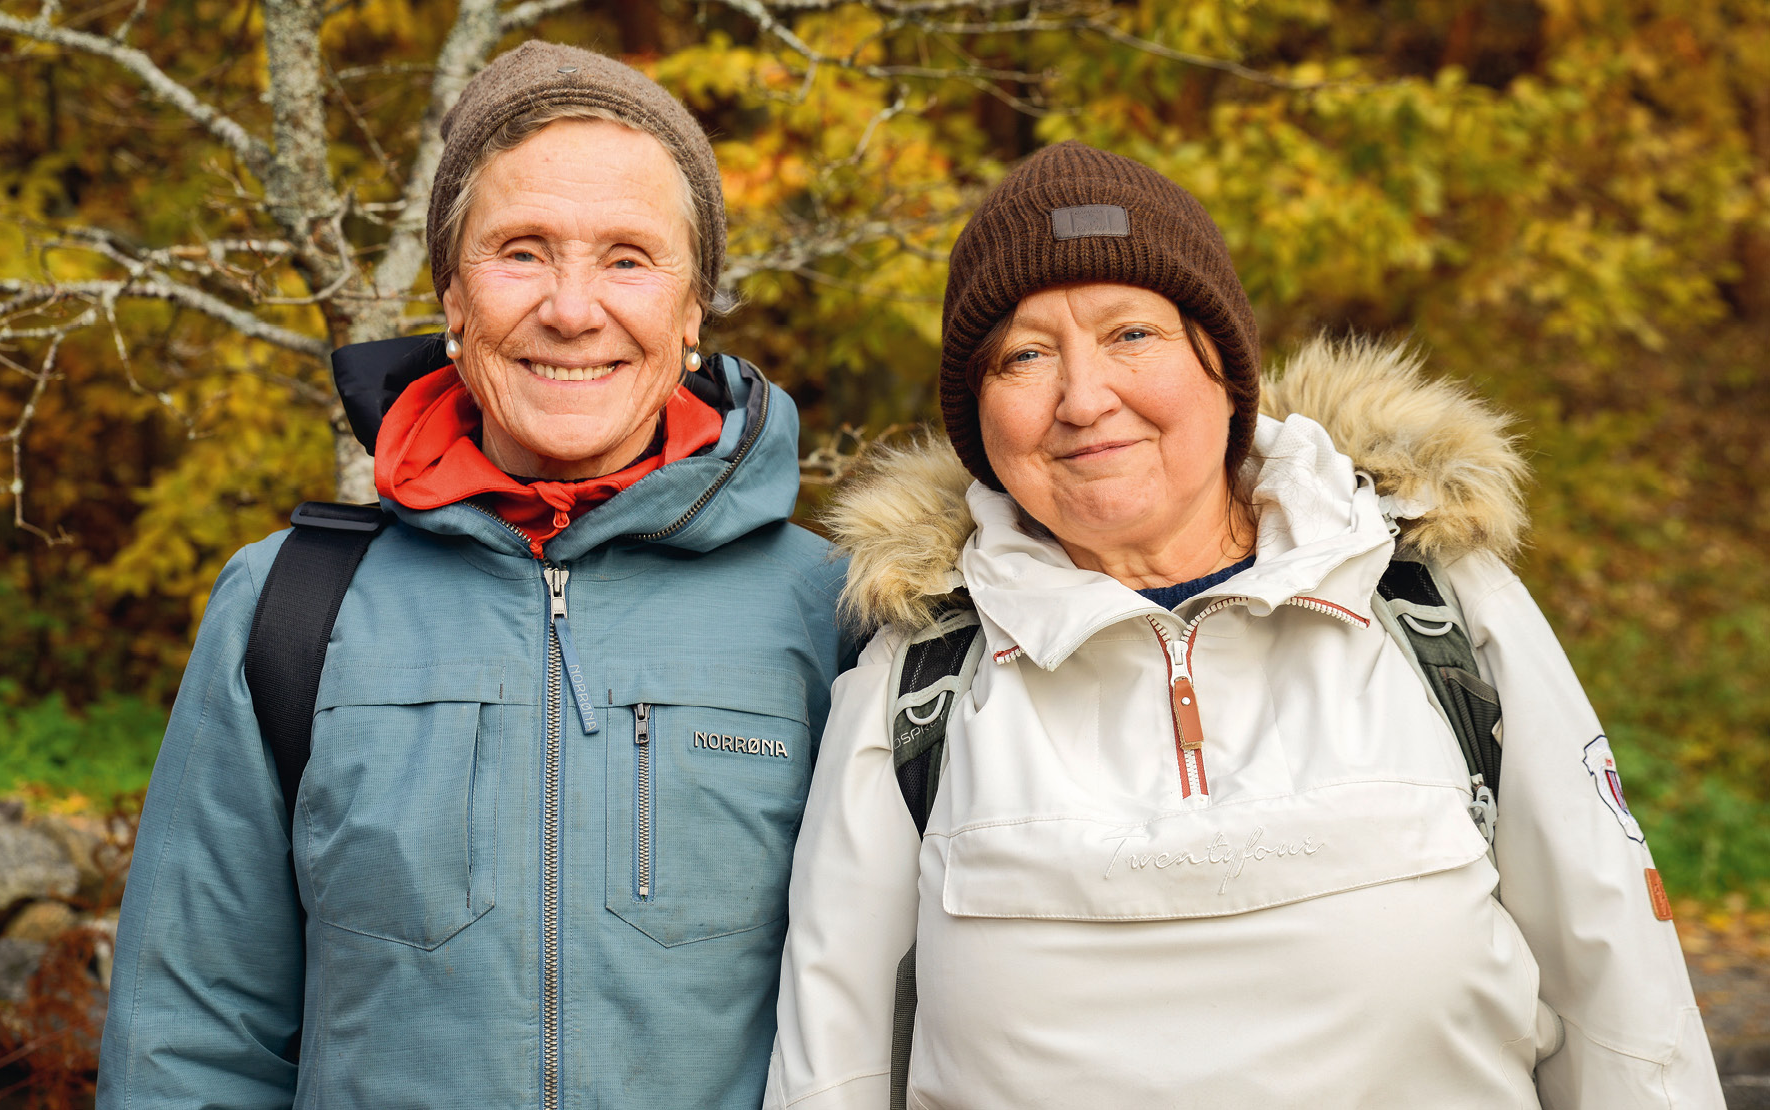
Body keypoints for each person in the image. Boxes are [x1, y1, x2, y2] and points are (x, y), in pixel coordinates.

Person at [765, 141, 1723, 1109]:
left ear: (1222, 366)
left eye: (1130, 334)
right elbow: (832, 1062)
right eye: (1025, 355)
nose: (1083, 399)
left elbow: (1625, 1011)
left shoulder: (1432, 607)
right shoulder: (919, 679)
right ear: (979, 416)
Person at [98, 42, 847, 1109]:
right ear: (452, 295)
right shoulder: (289, 608)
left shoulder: (830, 612)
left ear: (692, 310)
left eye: (629, 259)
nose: (572, 310)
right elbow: (187, 1042)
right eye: (521, 252)